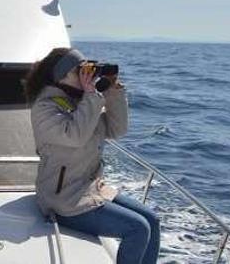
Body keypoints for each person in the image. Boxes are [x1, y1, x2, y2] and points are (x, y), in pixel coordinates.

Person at [27, 48, 160, 264]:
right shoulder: (45, 108)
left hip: (90, 189)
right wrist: (91, 96)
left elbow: (117, 130)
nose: (86, 74)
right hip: (64, 199)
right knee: (138, 229)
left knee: (152, 221)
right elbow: (75, 137)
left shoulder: (82, 103)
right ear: (62, 76)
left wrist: (113, 91)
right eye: (79, 70)